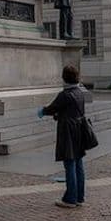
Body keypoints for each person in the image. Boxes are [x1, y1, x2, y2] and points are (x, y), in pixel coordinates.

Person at [39, 64, 88, 208]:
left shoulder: (64, 95)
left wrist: (42, 111)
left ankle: (70, 198)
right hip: (79, 130)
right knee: (78, 164)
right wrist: (59, 115)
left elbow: (51, 108)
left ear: (64, 78)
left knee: (70, 164)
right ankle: (79, 196)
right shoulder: (79, 92)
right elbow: (71, 111)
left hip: (68, 132)